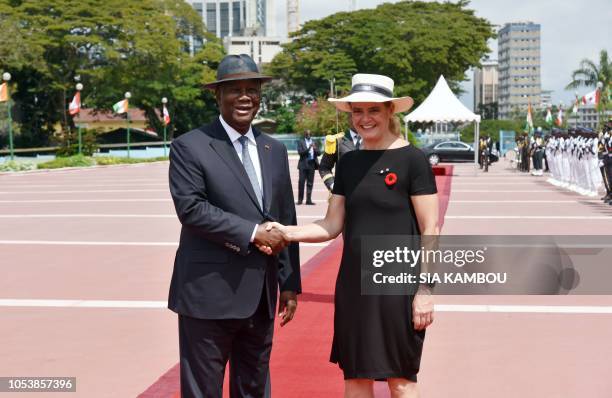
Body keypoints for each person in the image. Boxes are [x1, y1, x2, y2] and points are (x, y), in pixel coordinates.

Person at [262, 74, 439, 398]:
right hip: (353, 287)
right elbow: (332, 224)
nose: (365, 118)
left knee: (401, 381)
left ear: (389, 111)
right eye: (358, 111)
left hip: (398, 285)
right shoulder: (349, 163)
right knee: (355, 380)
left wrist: (424, 290)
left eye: (373, 110)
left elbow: (430, 228)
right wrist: (287, 232)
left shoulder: (413, 160)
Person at [168, 54, 301, 398]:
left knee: (254, 388)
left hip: (261, 296)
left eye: (252, 90)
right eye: (235, 90)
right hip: (207, 294)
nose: (245, 97)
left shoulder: (273, 149)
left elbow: (285, 215)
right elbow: (192, 208)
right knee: (202, 390)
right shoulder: (190, 146)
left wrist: (289, 283)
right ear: (218, 95)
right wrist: (253, 232)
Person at [318, 115, 361, 192]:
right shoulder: (337, 140)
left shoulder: (374, 139)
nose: (359, 118)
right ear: (349, 118)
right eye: (355, 114)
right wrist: (333, 185)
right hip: (343, 196)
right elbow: (324, 167)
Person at [296, 129, 320, 205]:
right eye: (307, 134)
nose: (308, 136)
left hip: (312, 164)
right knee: (301, 182)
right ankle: (300, 200)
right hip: (303, 164)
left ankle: (308, 200)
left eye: (310, 134)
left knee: (310, 183)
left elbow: (319, 153)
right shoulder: (301, 142)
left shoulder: (314, 142)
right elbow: (300, 153)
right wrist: (309, 148)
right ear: (305, 135)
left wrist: (315, 148)